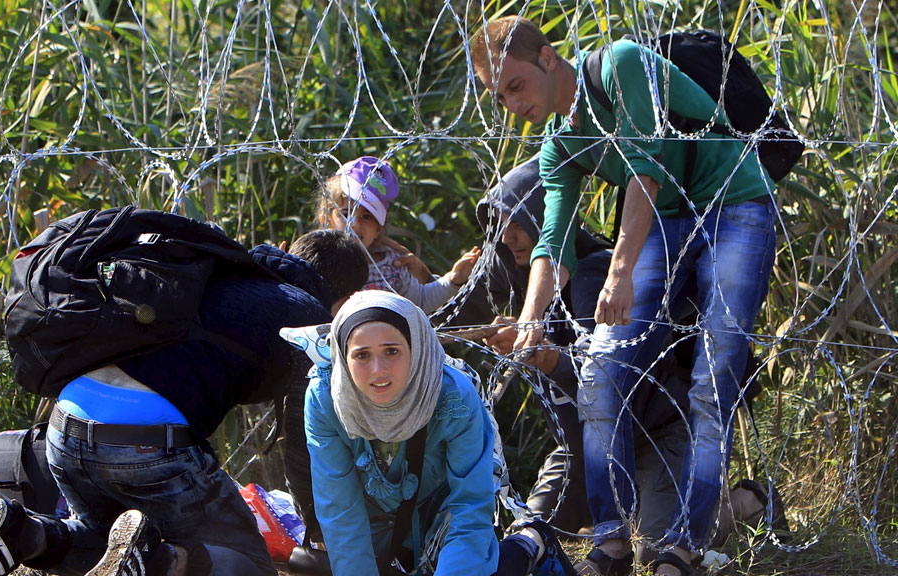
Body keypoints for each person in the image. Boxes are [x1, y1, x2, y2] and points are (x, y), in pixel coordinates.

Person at [471, 16, 777, 576]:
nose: (511, 103)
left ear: (546, 57)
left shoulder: (621, 65)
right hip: (665, 220)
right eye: (499, 96)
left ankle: (683, 548)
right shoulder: (560, 139)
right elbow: (553, 241)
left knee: (714, 379)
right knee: (602, 375)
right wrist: (528, 320)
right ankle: (610, 543)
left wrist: (618, 274)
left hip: (735, 204)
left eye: (514, 85)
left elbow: (646, 171)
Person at [0, 229, 370, 576]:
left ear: (284, 251)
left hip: (66, 426)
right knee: (250, 563)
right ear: (345, 301)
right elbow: (307, 443)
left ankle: (21, 531)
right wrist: (318, 532)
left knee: (103, 537)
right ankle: (159, 559)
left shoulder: (223, 269)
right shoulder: (310, 321)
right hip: (146, 444)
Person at [447, 157, 778, 561]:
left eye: (517, 223)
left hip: (655, 431)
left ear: (544, 219)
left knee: (651, 554)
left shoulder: (593, 277)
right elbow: (450, 317)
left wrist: (547, 358)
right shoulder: (514, 274)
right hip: (586, 445)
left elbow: (603, 376)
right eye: (499, 225)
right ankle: (618, 514)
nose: (507, 237)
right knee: (531, 529)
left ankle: (744, 501)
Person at [302, 290, 573, 576]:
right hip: (375, 522)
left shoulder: (453, 398)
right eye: (362, 355)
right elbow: (340, 507)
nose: (378, 370)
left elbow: (469, 503)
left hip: (444, 515)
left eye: (391, 351)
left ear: (415, 348)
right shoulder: (326, 400)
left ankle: (530, 543)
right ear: (343, 358)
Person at [315, 155, 481, 314]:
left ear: (379, 229)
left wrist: (453, 280)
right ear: (326, 219)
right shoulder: (316, 263)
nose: (354, 223)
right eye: (345, 213)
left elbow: (421, 301)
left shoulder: (389, 267)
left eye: (367, 217)